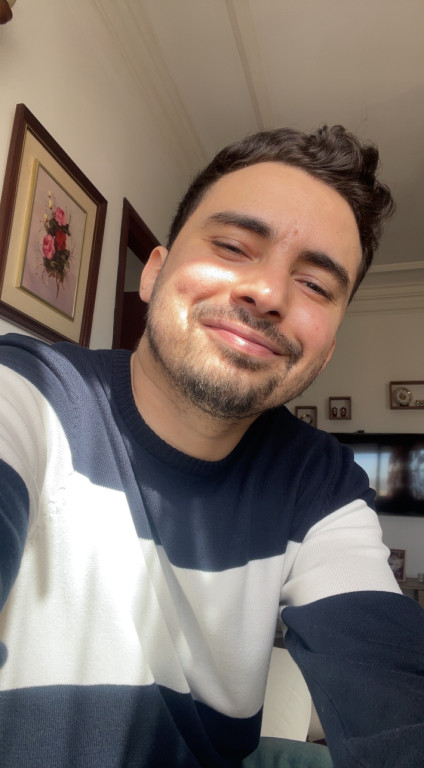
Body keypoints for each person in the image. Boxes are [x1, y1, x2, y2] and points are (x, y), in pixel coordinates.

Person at [0, 125, 423, 768]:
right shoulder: (28, 393)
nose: (269, 294)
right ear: (154, 272)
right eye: (231, 246)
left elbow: (390, 682)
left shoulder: (319, 482)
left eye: (315, 285)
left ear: (328, 348)